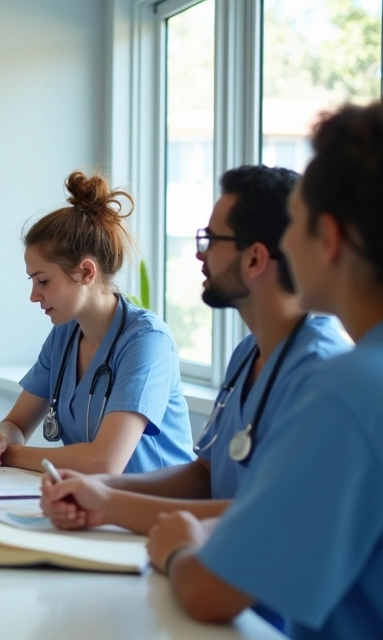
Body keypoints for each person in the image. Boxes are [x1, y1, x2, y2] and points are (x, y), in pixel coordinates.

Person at [40, 165, 350, 631]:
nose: (199, 255)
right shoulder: (250, 352)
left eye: (211, 240)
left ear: (254, 259)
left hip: (263, 615)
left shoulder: (322, 373)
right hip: (206, 582)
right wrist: (101, 490)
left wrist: (110, 504)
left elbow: (269, 514)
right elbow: (205, 474)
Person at [146, 102, 383, 638]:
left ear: (330, 237)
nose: (285, 245)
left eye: (295, 224)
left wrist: (178, 548)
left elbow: (210, 591)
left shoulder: (347, 389)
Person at [0, 171, 192, 474]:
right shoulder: (64, 335)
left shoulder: (148, 341)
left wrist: (11, 456)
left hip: (156, 501)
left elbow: (106, 462)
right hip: (94, 497)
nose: (33, 296)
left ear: (86, 272)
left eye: (43, 281)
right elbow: (16, 424)